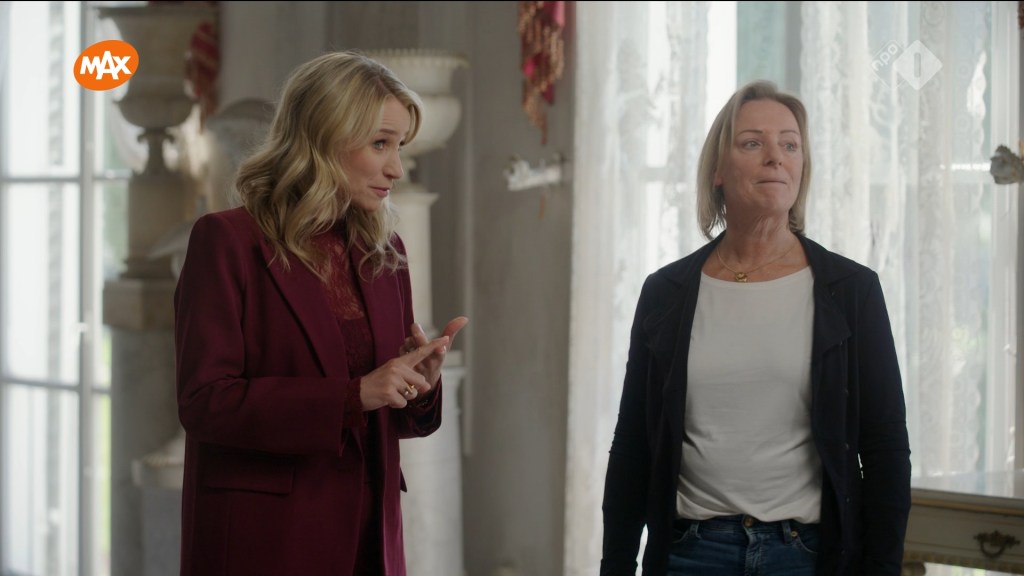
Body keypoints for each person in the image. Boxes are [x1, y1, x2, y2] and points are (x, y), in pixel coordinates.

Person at [173, 50, 468, 576]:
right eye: (380, 144)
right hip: (267, 542)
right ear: (325, 137)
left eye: (399, 146)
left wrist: (417, 387)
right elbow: (205, 403)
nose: (397, 168)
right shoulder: (226, 241)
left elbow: (381, 420)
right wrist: (352, 395)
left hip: (371, 540)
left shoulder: (386, 254)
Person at [600, 80, 911, 576]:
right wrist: (616, 563)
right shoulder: (665, 292)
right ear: (718, 171)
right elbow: (633, 445)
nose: (775, 158)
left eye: (790, 144)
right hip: (689, 556)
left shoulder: (852, 290)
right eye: (752, 143)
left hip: (807, 557)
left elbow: (885, 447)